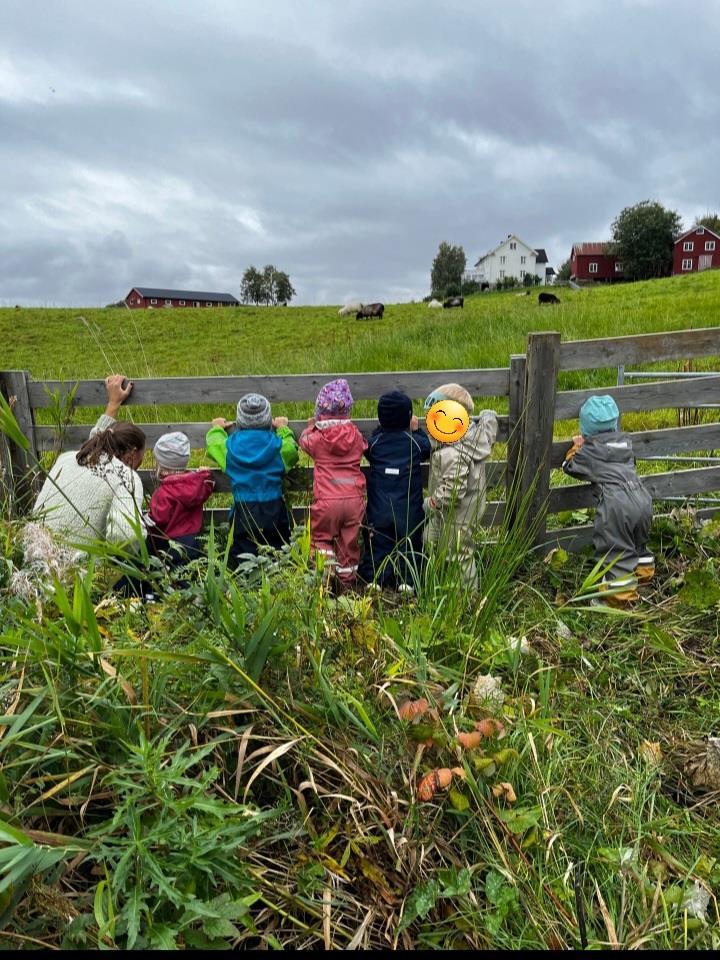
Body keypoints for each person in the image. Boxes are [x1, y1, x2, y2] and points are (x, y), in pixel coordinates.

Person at [33, 375, 146, 550]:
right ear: (131, 454)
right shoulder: (126, 477)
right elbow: (126, 535)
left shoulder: (69, 458)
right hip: (76, 571)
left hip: (33, 553)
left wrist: (113, 404)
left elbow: (98, 441)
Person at [562, 394, 654, 605]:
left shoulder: (591, 451)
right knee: (638, 541)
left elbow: (570, 466)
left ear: (586, 430)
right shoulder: (625, 443)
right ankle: (644, 576)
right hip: (641, 498)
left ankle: (620, 600)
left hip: (617, 505)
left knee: (617, 549)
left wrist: (578, 447)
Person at [206, 393, 298, 566]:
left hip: (243, 508)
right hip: (274, 506)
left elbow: (214, 445)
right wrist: (283, 429)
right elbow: (291, 451)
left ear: (240, 422)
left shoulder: (231, 448)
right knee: (278, 546)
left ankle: (245, 580)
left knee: (243, 549)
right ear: (268, 421)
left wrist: (217, 428)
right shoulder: (277, 446)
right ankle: (277, 578)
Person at [422, 383, 498, 589]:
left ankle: (467, 596)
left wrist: (432, 502)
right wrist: (488, 417)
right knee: (431, 538)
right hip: (452, 512)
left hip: (458, 514)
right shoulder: (474, 437)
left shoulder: (452, 453)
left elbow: (453, 489)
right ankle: (444, 581)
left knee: (459, 553)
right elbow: (489, 433)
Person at [358, 390, 431, 591]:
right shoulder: (415, 443)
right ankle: (407, 581)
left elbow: (369, 447)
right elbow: (427, 447)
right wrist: (416, 430)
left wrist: (381, 430)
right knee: (410, 542)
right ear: (408, 417)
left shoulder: (375, 445)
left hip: (379, 507)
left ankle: (375, 578)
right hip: (408, 508)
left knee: (378, 542)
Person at [300, 378, 367, 592]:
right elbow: (364, 446)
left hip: (328, 500)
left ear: (320, 412)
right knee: (349, 542)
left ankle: (325, 578)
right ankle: (347, 584)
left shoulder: (318, 439)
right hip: (354, 499)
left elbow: (304, 442)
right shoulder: (355, 436)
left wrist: (311, 428)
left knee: (320, 538)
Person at [146, 431, 215, 564]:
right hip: (194, 540)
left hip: (171, 544)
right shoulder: (196, 485)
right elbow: (208, 485)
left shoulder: (163, 493)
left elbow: (158, 520)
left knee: (175, 574)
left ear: (162, 467)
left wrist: (146, 522)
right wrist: (205, 473)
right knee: (190, 571)